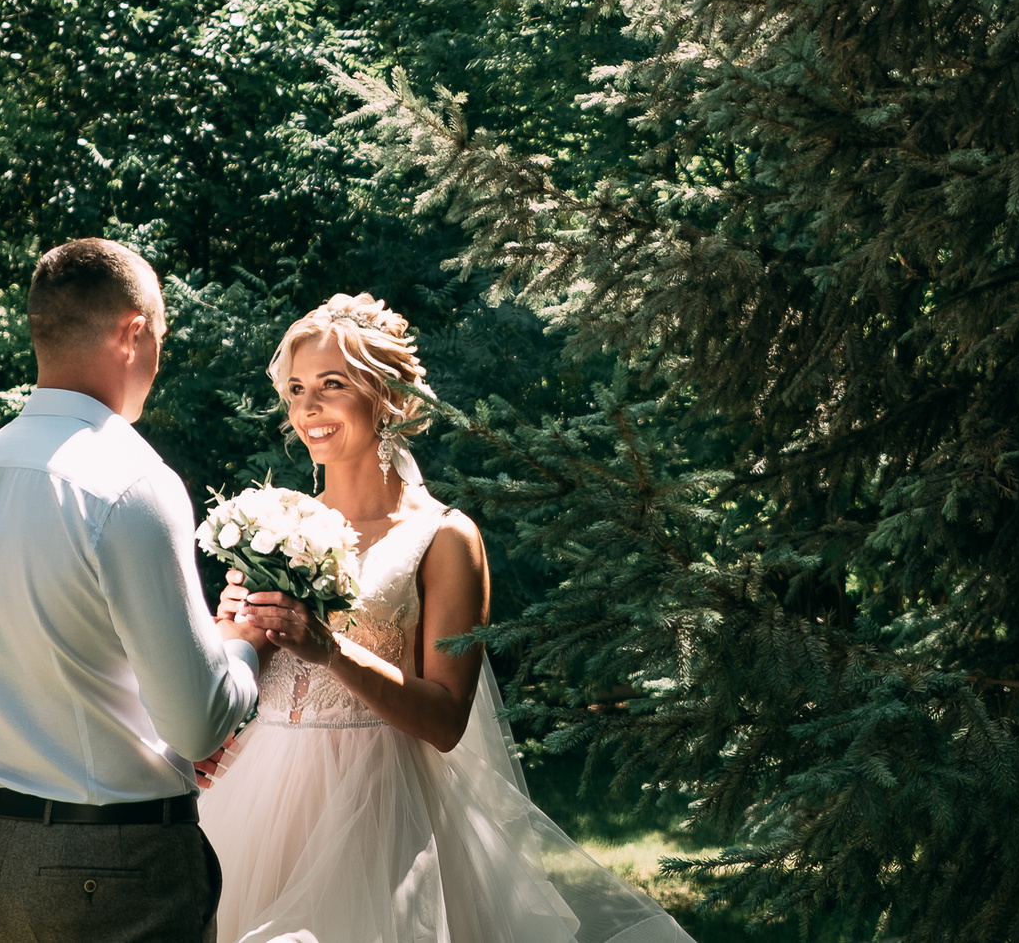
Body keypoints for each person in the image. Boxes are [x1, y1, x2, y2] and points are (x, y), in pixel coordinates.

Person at [200, 293, 698, 943]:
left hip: (380, 805)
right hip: (258, 792)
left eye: (332, 384)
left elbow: (445, 721)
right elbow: (245, 664)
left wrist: (330, 648)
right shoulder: (275, 526)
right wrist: (232, 639)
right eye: (296, 390)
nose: (308, 408)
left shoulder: (443, 537)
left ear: (387, 396)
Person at [0, 238, 263, 943]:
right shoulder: (131, 482)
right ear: (133, 332)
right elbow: (198, 724)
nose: (158, 361)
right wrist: (246, 641)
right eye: (160, 339)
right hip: (111, 869)